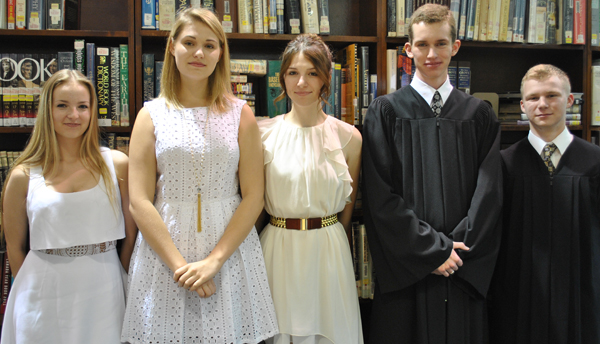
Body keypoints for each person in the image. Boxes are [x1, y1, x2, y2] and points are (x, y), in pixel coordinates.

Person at [121, 7, 278, 344]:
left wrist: (213, 262)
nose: (199, 53)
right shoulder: (150, 115)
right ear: (172, 47)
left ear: (220, 53)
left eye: (210, 45)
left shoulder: (241, 113)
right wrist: (183, 268)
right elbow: (138, 200)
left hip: (229, 250)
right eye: (189, 42)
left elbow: (253, 196)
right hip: (165, 252)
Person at [362, 4, 503, 343]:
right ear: (408, 49)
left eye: (441, 44)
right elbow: (380, 195)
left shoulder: (479, 114)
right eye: (422, 44)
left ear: (455, 47)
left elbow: (490, 194)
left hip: (461, 267)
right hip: (409, 270)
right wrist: (432, 251)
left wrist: (455, 253)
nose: (431, 54)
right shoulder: (386, 111)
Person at [0, 69, 137, 343]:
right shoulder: (24, 176)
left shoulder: (118, 164)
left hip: (104, 287)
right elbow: (14, 247)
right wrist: (31, 287)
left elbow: (132, 236)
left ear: (92, 111)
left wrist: (116, 274)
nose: (73, 115)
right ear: (46, 111)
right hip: (41, 291)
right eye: (62, 105)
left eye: (82, 106)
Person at [258, 33, 363, 344]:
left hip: (328, 249)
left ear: (325, 79)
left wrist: (331, 235)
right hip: (278, 247)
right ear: (282, 78)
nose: (301, 82)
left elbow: (348, 208)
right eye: (293, 72)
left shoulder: (349, 137)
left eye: (312, 73)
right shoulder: (261, 134)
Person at [488, 64, 600, 344]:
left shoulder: (595, 162)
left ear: (570, 100)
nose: (543, 104)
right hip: (521, 292)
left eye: (552, 95)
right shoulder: (505, 164)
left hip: (583, 291)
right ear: (523, 105)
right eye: (534, 98)